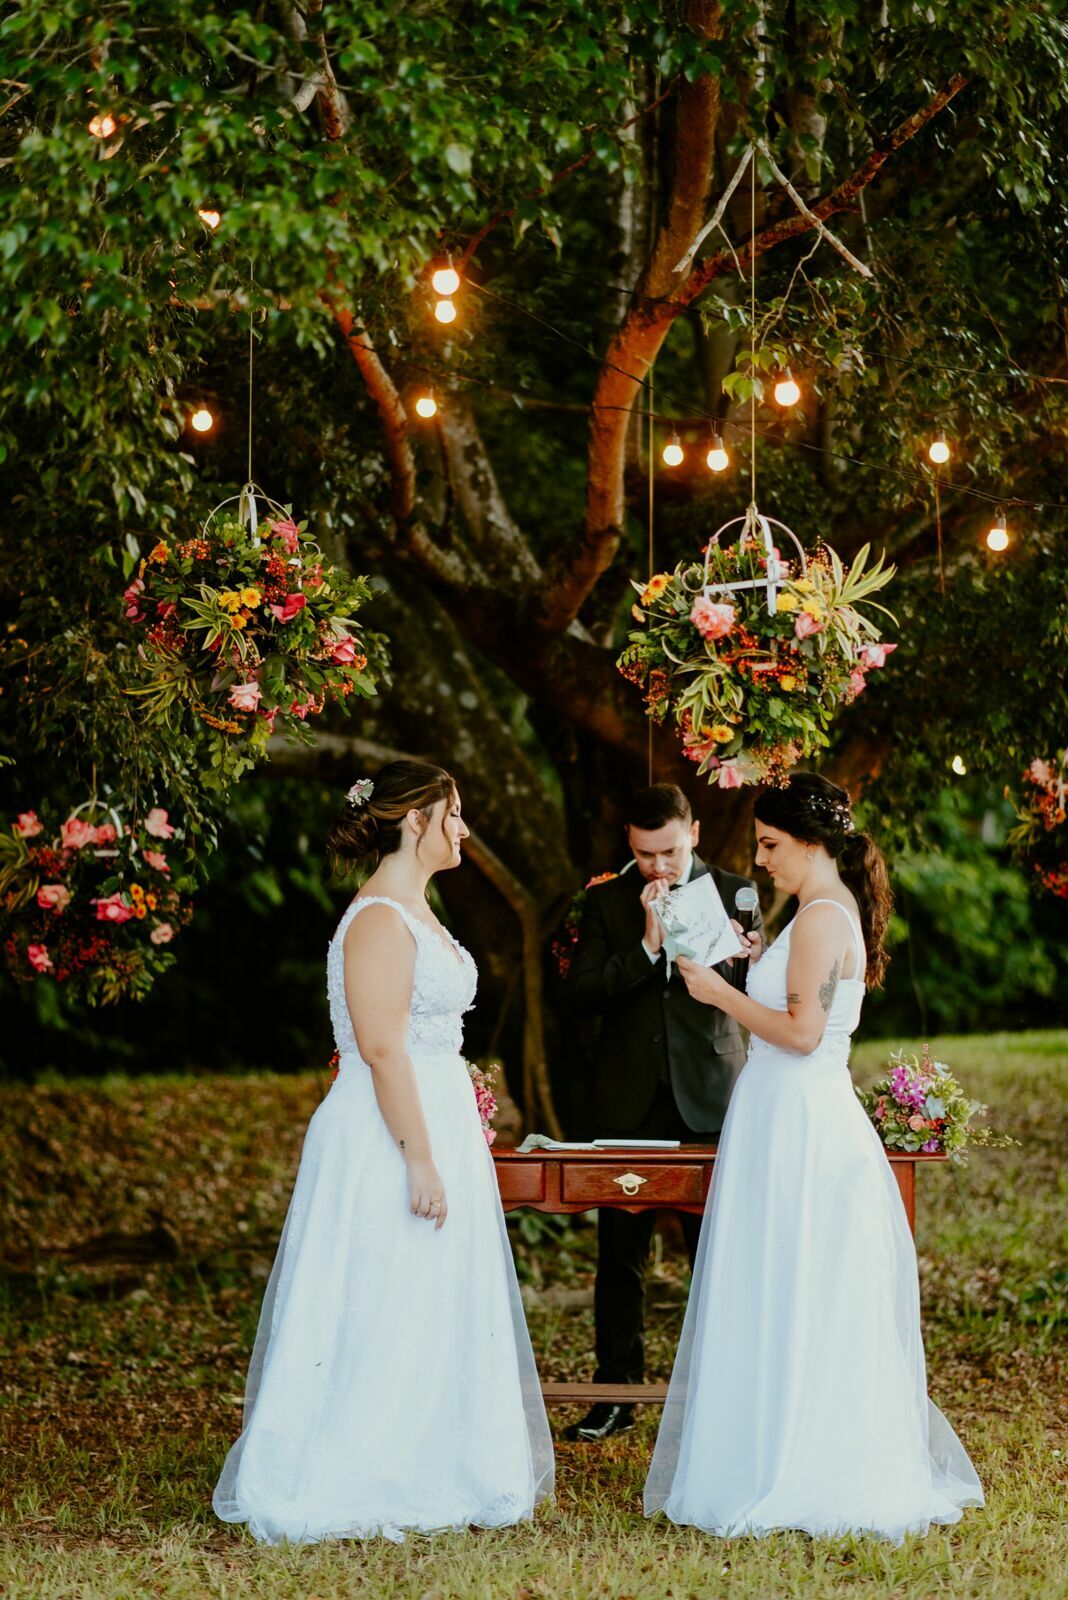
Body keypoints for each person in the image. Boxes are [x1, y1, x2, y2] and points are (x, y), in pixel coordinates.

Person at [213, 760, 553, 1544]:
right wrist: (420, 1155)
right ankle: (365, 1462)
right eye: (454, 813)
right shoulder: (377, 919)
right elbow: (379, 1047)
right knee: (382, 1285)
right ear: (414, 820)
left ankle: (437, 1454)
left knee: (432, 1293)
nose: (464, 827)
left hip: (432, 1119)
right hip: (386, 1130)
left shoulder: (421, 912)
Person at [644, 772, 983, 1540]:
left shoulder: (827, 916)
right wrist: (752, 962)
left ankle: (803, 1464)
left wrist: (716, 991)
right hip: (778, 1113)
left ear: (812, 842)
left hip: (802, 1119)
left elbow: (800, 1035)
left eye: (770, 844)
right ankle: (769, 1449)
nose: (760, 859)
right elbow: (796, 1008)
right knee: (780, 1280)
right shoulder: (814, 915)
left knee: (801, 1279)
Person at [565, 783, 764, 1442]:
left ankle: (727, 1398)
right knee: (620, 1256)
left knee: (721, 1252)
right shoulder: (603, 901)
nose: (658, 867)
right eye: (647, 853)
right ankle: (616, 1397)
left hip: (711, 1094)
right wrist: (648, 948)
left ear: (695, 833)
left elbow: (757, 998)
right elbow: (583, 995)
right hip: (629, 1100)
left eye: (671, 852)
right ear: (629, 840)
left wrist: (746, 963)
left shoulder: (738, 892)